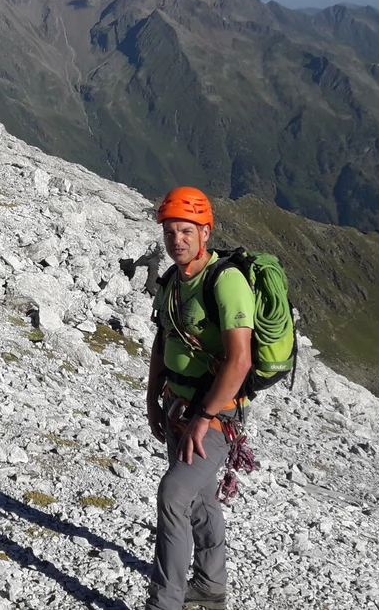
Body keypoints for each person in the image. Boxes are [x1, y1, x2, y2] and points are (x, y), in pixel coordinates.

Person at [144, 187, 256, 610]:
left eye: (186, 231)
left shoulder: (226, 281)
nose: (177, 240)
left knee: (174, 493)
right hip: (178, 406)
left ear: (205, 232)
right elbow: (162, 341)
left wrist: (205, 417)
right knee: (201, 497)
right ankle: (210, 586)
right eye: (171, 231)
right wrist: (153, 397)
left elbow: (240, 361)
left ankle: (165, 603)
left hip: (216, 414)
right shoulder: (173, 279)